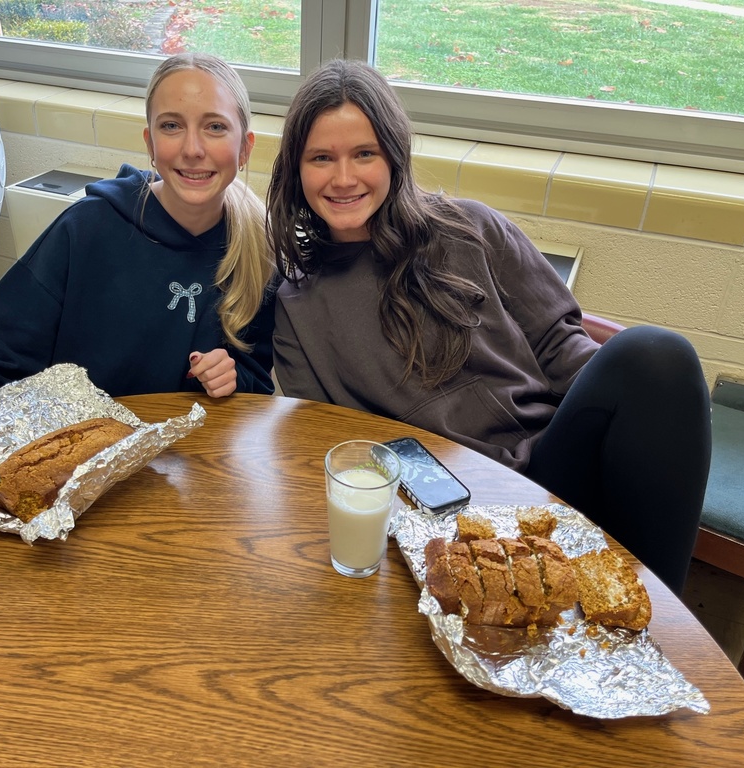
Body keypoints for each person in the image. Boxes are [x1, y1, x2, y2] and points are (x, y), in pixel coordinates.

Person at [267, 59, 711, 596]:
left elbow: (559, 343)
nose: (344, 177)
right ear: (296, 169)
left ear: (394, 155)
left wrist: (642, 424)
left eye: (365, 153)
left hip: (551, 470)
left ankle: (663, 616)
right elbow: (336, 440)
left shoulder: (470, 227)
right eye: (321, 158)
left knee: (657, 355)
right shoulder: (295, 303)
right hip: (447, 507)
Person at [0, 53, 276, 516]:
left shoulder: (255, 250)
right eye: (172, 126)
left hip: (182, 488)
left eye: (215, 127)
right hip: (71, 486)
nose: (193, 148)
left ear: (245, 146)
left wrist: (231, 375)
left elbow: (256, 382)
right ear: (150, 143)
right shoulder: (85, 230)